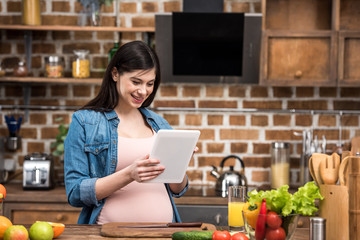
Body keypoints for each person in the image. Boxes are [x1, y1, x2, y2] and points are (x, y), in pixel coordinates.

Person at [64, 41, 190, 224]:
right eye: (136, 82)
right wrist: (129, 174)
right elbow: (75, 192)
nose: (143, 91)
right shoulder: (85, 122)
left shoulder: (159, 124)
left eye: (150, 84)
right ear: (115, 74)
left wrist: (179, 162)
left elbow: (178, 189)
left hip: (163, 232)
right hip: (107, 234)